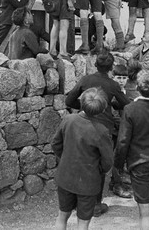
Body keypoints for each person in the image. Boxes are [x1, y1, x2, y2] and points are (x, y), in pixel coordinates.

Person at [65, 50, 130, 215]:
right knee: (100, 165)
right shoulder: (113, 85)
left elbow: (69, 100)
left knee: (81, 160)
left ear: (95, 64)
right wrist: (111, 104)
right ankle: (96, 204)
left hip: (84, 123)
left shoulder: (86, 80)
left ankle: (77, 200)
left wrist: (86, 105)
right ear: (111, 67)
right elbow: (126, 104)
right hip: (104, 128)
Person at [114, 71, 149, 230]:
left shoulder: (130, 109)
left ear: (138, 87)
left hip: (138, 162)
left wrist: (119, 164)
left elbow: (123, 140)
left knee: (144, 210)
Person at [52, 87, 113, 230]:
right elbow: (108, 161)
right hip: (88, 182)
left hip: (65, 177)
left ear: (81, 102)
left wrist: (65, 158)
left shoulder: (68, 120)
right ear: (103, 109)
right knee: (83, 221)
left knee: (62, 215)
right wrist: (98, 170)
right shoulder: (101, 131)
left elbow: (56, 144)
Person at [110, 64, 133, 199]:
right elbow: (114, 113)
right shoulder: (113, 92)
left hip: (124, 129)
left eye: (124, 78)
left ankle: (116, 180)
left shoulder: (126, 92)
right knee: (116, 156)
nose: (121, 80)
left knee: (122, 155)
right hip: (115, 129)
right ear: (113, 77)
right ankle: (117, 184)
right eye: (118, 77)